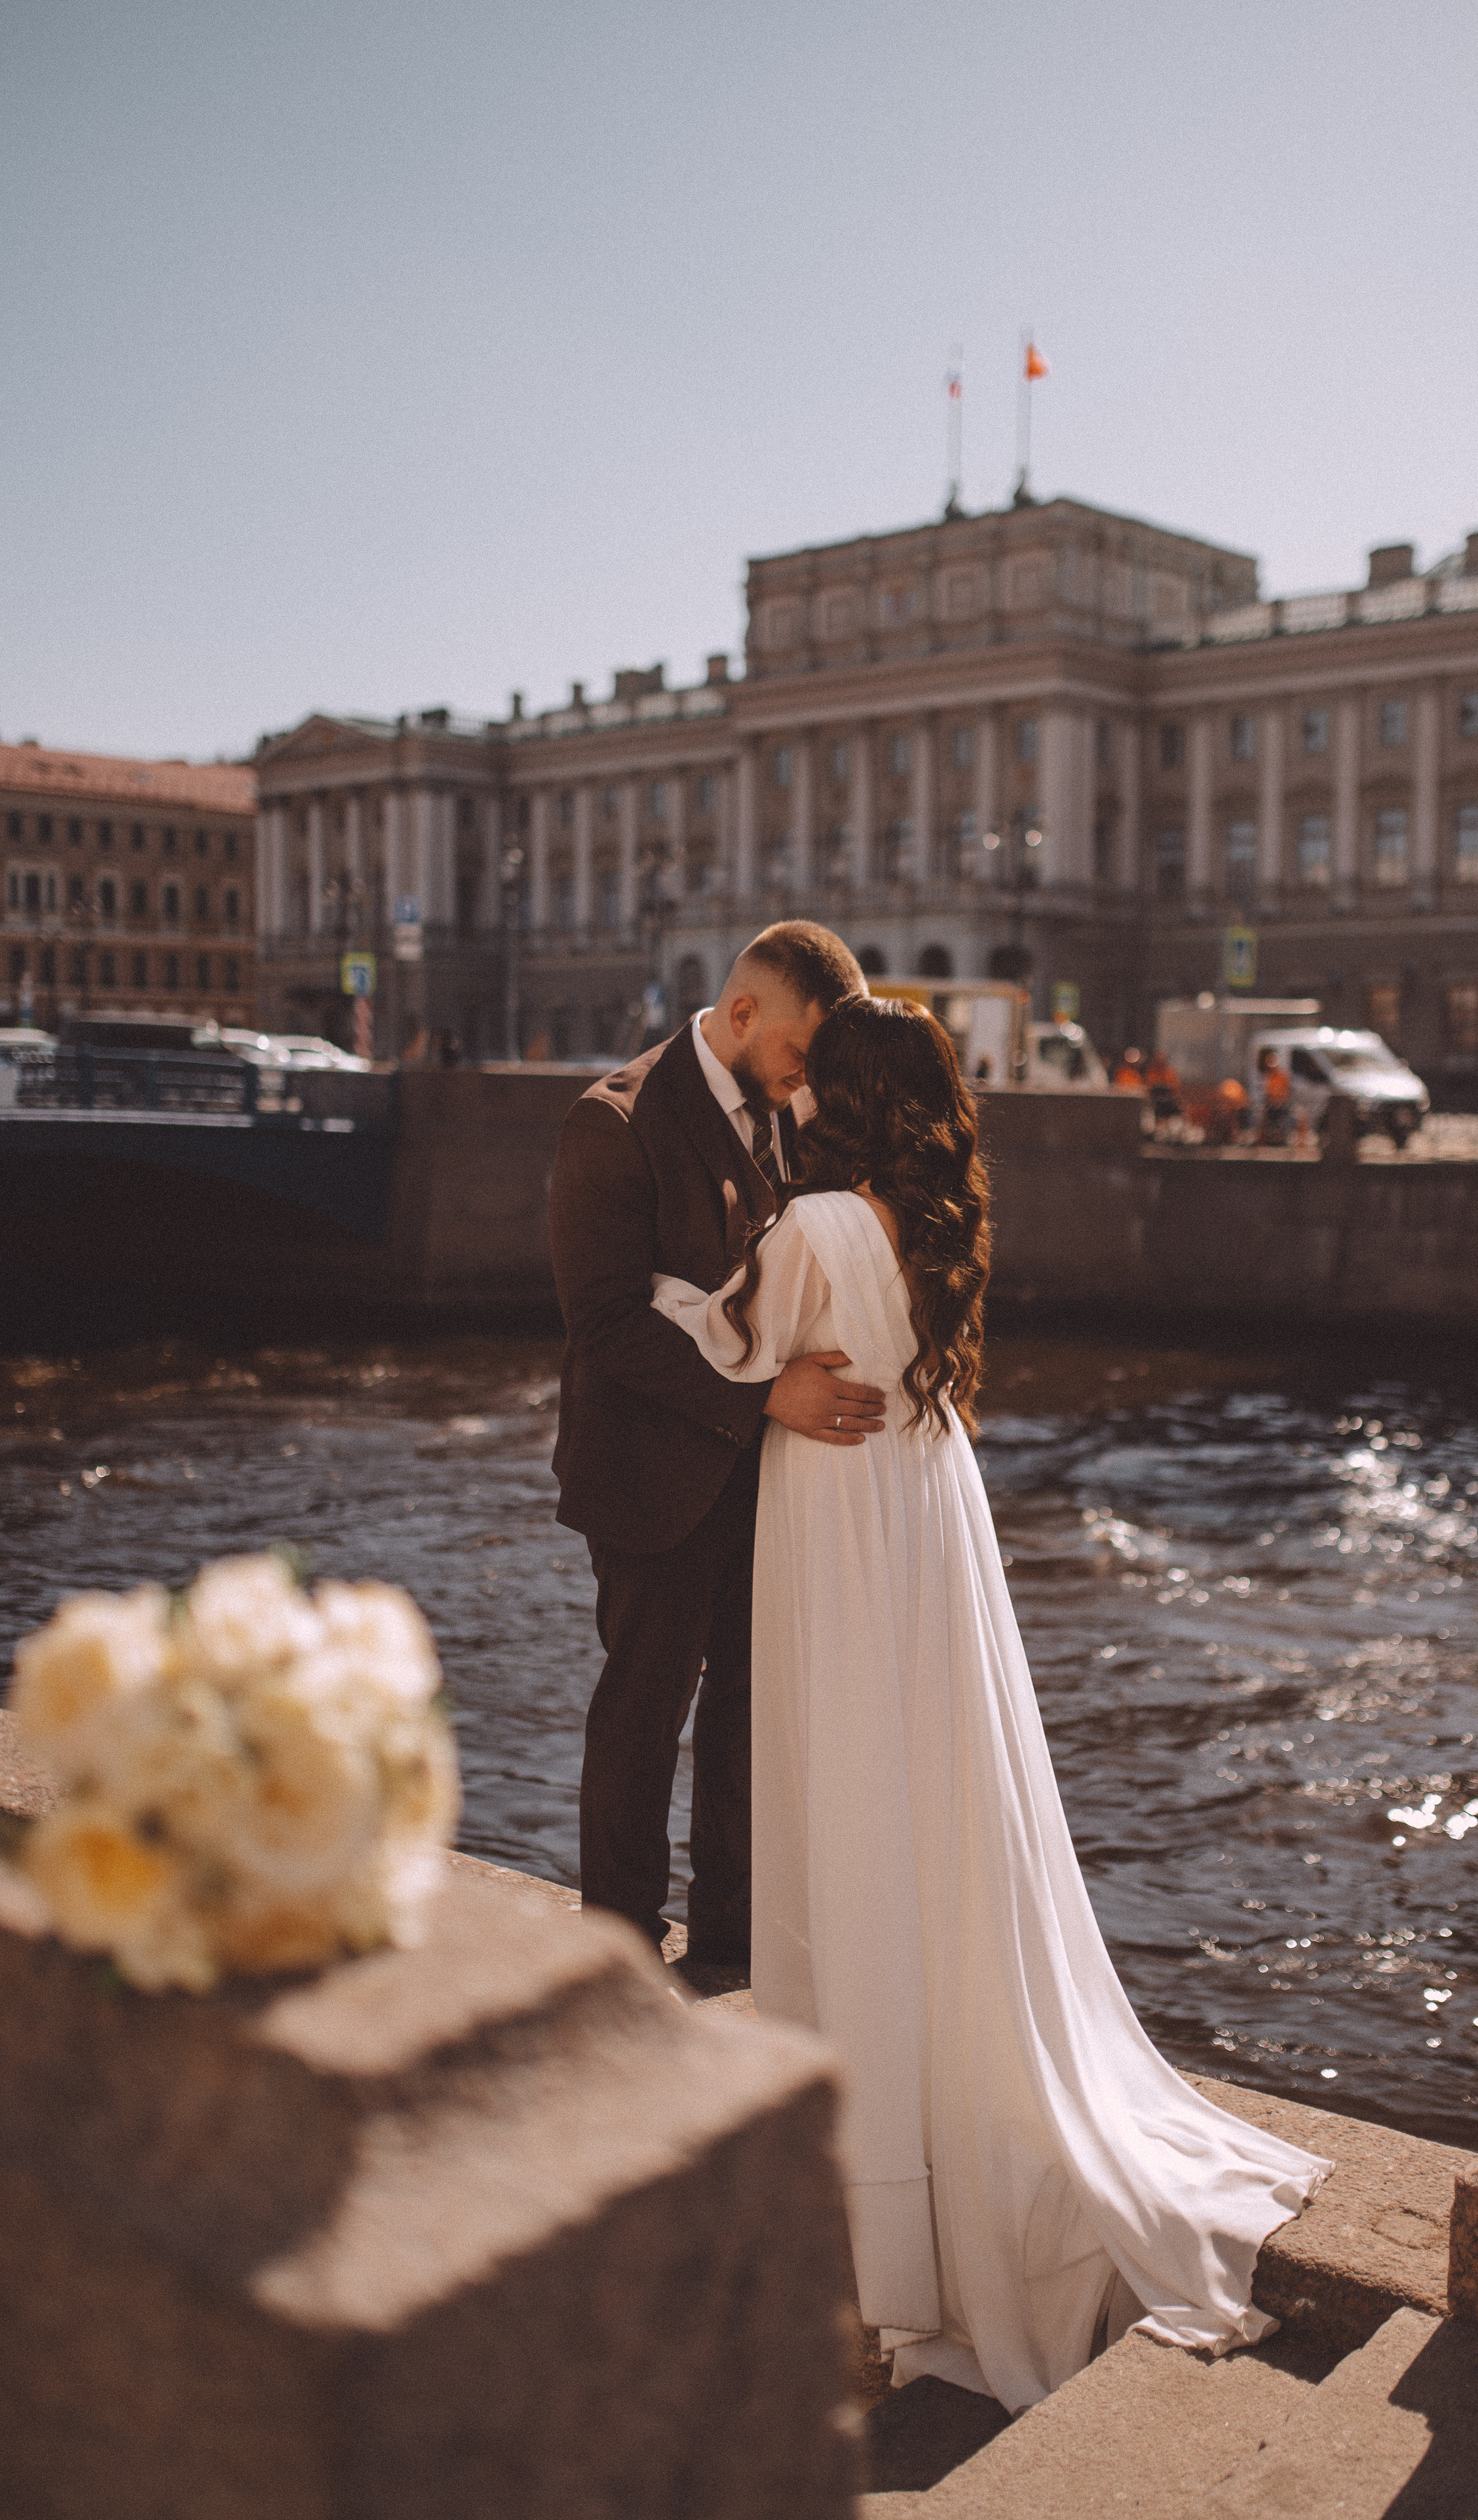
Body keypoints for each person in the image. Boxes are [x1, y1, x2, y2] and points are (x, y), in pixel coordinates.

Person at [649, 996, 1330, 2413]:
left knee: (842, 1799)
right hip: (922, 1507)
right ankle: (934, 2129)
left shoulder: (816, 1228)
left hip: (837, 1527)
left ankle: (872, 2194)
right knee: (934, 1799)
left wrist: (672, 1306)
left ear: (835, 1096)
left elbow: (721, 1340)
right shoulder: (929, 1223)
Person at [547, 921, 885, 1969]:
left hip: (756, 1479)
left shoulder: (790, 1112)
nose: (808, 1076)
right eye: (800, 1052)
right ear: (742, 1015)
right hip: (650, 1474)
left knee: (746, 1710)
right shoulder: (614, 1122)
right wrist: (763, 1401)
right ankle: (619, 1953)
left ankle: (730, 1940)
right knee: (645, 1713)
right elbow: (604, 1324)